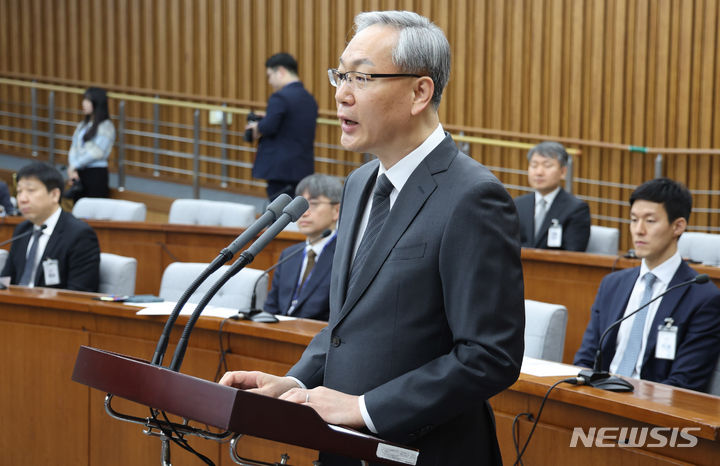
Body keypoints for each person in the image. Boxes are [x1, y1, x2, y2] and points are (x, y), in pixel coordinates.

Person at [221, 11, 525, 465]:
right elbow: (347, 323)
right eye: (340, 75)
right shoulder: (361, 182)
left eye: (361, 77)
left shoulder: (473, 197)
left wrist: (365, 409)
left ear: (420, 92)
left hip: (425, 452)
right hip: (343, 447)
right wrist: (298, 382)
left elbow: (489, 356)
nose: (341, 95)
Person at [574, 178, 720, 392]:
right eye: (633, 220)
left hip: (653, 415)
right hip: (599, 400)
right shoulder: (612, 285)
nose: (638, 230)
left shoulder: (702, 297)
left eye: (650, 221)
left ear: (678, 226)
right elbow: (586, 359)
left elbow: (684, 384)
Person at [1, 162, 100, 292]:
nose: (22, 199)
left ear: (54, 195)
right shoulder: (22, 230)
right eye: (19, 191)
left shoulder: (79, 235)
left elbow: (79, 294)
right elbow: (5, 280)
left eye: (30, 191)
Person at [264, 174, 342, 321]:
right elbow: (270, 309)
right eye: (300, 206)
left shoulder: (345, 255)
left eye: (313, 204)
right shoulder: (289, 255)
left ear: (336, 211)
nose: (304, 213)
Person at [247, 53, 318, 201]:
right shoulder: (309, 99)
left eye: (270, 75)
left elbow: (268, 127)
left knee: (278, 215)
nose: (270, 81)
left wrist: (257, 126)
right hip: (301, 167)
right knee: (295, 213)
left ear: (281, 71)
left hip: (280, 169)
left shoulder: (280, 97)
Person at [514, 141, 591, 251]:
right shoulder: (518, 204)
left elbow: (573, 254)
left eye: (547, 165)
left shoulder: (576, 209)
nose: (539, 172)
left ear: (563, 172)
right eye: (534, 165)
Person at [66, 87, 116, 201]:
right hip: (79, 173)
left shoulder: (106, 126)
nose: (84, 103)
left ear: (97, 103)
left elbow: (97, 152)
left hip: (95, 174)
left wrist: (75, 165)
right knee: (78, 211)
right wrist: (72, 167)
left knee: (94, 213)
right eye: (84, 99)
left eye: (88, 100)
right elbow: (74, 147)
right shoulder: (83, 124)